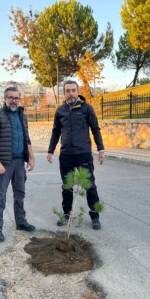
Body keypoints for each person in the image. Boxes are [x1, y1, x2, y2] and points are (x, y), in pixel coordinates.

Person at [47, 80, 105, 230]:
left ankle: (95, 216)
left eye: (73, 90)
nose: (70, 93)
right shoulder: (60, 111)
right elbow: (56, 132)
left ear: (77, 92)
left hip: (83, 154)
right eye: (67, 90)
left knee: (90, 185)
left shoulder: (87, 109)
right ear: (64, 93)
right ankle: (66, 214)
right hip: (66, 154)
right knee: (67, 186)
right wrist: (50, 150)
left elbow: (95, 129)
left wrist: (101, 149)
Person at [0, 86, 35, 242]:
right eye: (11, 97)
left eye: (17, 98)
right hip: (4, 164)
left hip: (19, 162)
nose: (14, 100)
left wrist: (31, 158)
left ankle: (21, 222)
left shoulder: (22, 116)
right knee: (0, 197)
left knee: (20, 195)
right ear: (5, 99)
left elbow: (27, 139)